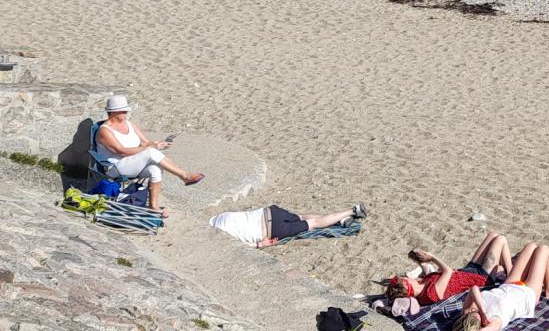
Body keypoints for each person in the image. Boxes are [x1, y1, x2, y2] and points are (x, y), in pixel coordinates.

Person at [95, 95, 204, 215]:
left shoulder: (130, 125)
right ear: (114, 112)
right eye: (124, 111)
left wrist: (158, 144)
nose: (126, 113)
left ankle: (153, 206)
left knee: (155, 168)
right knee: (151, 152)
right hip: (115, 167)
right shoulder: (104, 131)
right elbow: (121, 151)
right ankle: (185, 175)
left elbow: (146, 143)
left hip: (133, 164)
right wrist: (150, 148)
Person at [452, 243, 549, 331]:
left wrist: (481, 311)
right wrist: (483, 318)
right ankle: (548, 290)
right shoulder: (494, 322)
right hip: (527, 294)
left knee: (531, 246)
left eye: (470, 313)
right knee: (543, 249)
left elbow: (474, 289)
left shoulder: (470, 311)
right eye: (475, 315)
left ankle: (546, 284)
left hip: (509, 285)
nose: (472, 310)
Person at [386, 231, 513, 308]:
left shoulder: (421, 284)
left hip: (467, 272)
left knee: (493, 235)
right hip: (481, 278)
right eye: (406, 278)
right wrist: (432, 257)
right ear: (408, 286)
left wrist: (420, 260)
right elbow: (447, 271)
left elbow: (440, 273)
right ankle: (512, 276)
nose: (409, 277)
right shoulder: (431, 294)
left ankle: (507, 269)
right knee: (500, 240)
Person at [210, 202, 366, 247]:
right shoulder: (222, 217)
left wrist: (260, 245)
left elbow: (243, 246)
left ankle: (352, 211)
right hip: (270, 212)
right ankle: (340, 220)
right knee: (300, 216)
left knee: (313, 224)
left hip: (272, 229)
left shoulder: (222, 236)